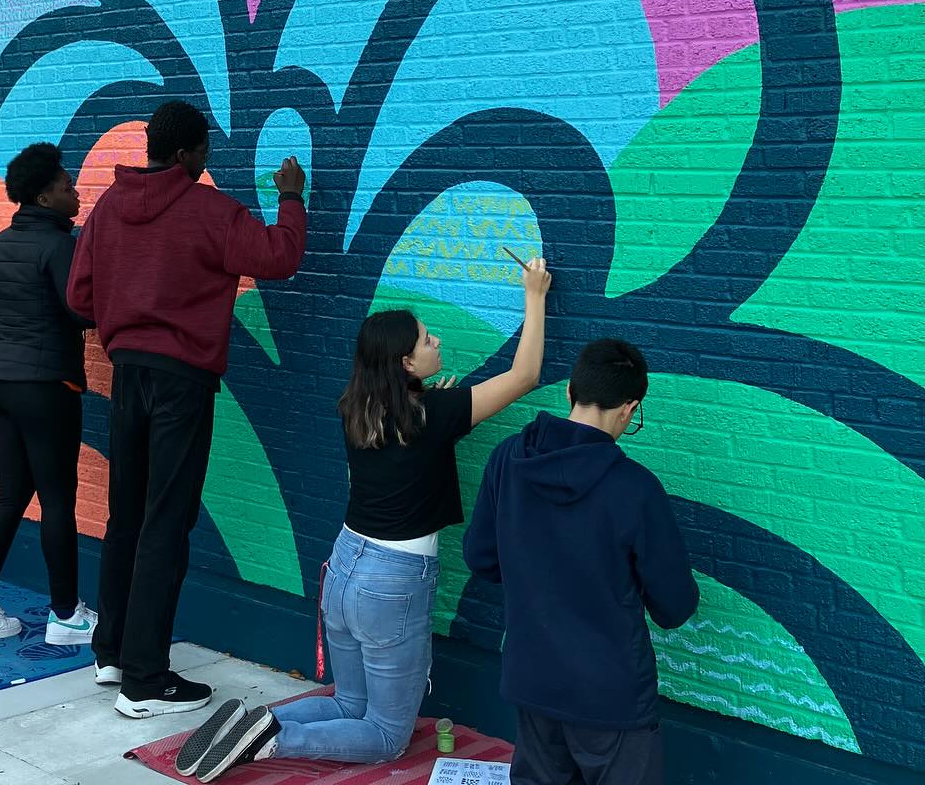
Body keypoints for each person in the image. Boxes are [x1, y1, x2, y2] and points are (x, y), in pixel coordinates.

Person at [184, 257, 551, 782]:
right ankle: (273, 740)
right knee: (385, 735)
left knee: (349, 701)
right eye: (427, 340)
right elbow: (526, 374)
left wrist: (431, 399)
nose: (437, 342)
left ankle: (256, 721)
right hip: (391, 583)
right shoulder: (432, 415)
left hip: (346, 565)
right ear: (404, 363)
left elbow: (407, 445)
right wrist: (534, 294)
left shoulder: (358, 406)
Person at [68, 100, 307, 719]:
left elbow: (79, 296)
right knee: (166, 523)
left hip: (128, 375)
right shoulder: (209, 210)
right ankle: (144, 681)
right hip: (182, 381)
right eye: (204, 151)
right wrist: (291, 198)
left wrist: (130, 315)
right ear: (185, 154)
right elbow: (280, 257)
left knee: (127, 516)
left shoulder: (107, 208)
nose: (207, 161)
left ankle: (113, 653)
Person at [460, 338, 698, 785]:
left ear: (570, 390)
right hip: (612, 696)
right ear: (629, 409)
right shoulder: (635, 488)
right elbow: (675, 607)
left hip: (532, 678)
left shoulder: (507, 458)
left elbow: (481, 559)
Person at [0, 142, 97, 648]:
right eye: (66, 186)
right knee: (57, 500)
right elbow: (82, 312)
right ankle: (67, 617)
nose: (76, 192)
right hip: (47, 386)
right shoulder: (60, 246)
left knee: (11, 496)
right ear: (43, 195)